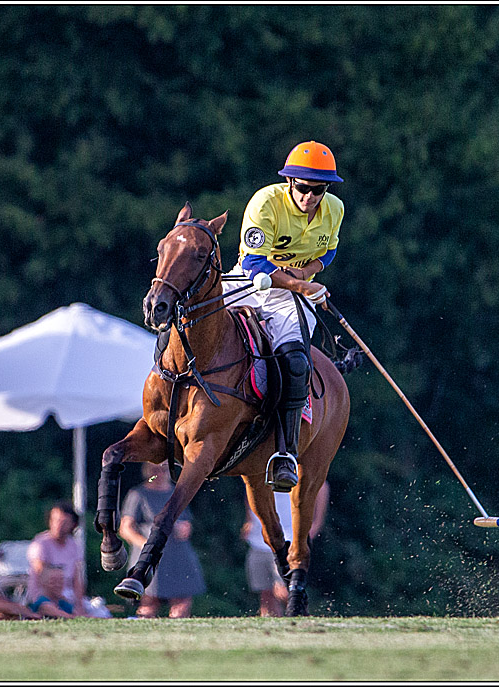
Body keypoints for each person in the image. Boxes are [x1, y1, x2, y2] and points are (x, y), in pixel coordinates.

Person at [223, 140, 345, 492]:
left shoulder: (334, 209)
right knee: (194, 321)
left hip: (290, 296)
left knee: (295, 360)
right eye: (303, 188)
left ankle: (285, 454)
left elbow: (329, 249)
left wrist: (307, 272)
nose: (309, 196)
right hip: (249, 282)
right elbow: (253, 263)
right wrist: (300, 284)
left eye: (318, 190)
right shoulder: (265, 203)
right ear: (290, 181)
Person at [119, 462, 206, 618]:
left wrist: (185, 529)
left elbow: (187, 522)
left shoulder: (177, 493)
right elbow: (125, 528)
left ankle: (179, 633)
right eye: (155, 470)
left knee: (182, 604)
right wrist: (145, 544)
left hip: (178, 555)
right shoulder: (138, 494)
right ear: (147, 471)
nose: (159, 474)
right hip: (150, 557)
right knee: (148, 605)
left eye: (163, 470)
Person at [242, 482, 330, 617]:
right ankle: (272, 628)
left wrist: (317, 523)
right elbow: (249, 488)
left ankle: (300, 618)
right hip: (258, 539)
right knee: (265, 594)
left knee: (285, 591)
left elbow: (321, 485)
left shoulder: (294, 468)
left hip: (287, 539)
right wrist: (249, 519)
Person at [25, 502, 88, 617]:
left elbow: (77, 579)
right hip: (44, 596)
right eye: (55, 520)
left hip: (66, 596)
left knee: (98, 610)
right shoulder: (40, 544)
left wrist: (79, 604)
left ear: (73, 525)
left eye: (64, 522)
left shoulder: (73, 545)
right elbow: (41, 574)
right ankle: (72, 617)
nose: (58, 525)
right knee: (50, 608)